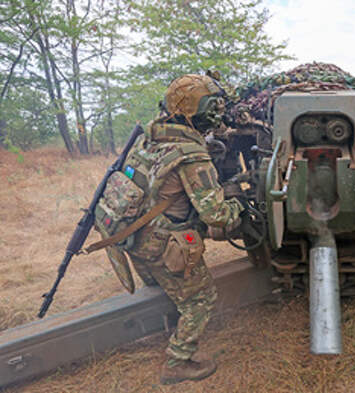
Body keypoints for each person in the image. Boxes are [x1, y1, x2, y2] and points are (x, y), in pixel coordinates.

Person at [123, 74, 244, 384]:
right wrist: (239, 206)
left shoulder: (150, 138)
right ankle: (178, 361)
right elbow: (216, 215)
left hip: (132, 237)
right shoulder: (191, 156)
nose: (218, 113)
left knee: (168, 284)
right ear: (200, 112)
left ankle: (165, 306)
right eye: (213, 106)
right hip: (162, 245)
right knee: (201, 298)